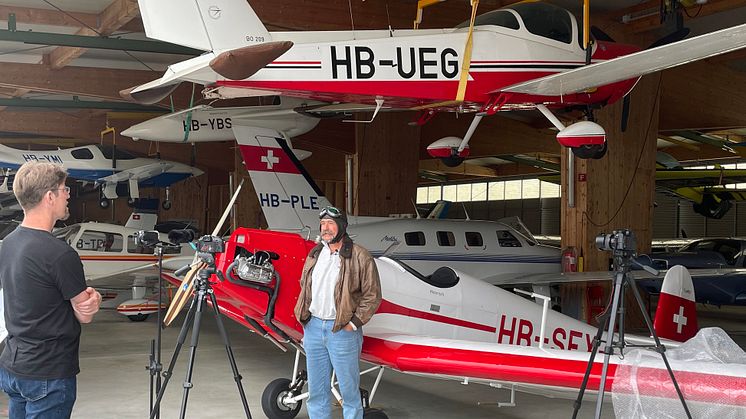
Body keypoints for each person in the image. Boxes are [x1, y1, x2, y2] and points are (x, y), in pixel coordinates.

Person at [0, 162, 102, 418]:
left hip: (14, 367)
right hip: (49, 373)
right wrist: (95, 298)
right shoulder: (60, 255)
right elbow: (85, 315)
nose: (68, 194)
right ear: (49, 197)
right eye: (64, 189)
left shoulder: (8, 244)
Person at [294, 206, 382, 419]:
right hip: (314, 328)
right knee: (316, 392)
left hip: (342, 330)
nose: (326, 228)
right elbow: (305, 285)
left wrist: (352, 324)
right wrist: (305, 318)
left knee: (349, 393)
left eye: (331, 223)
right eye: (323, 224)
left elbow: (372, 295)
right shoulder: (316, 253)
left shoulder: (361, 256)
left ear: (342, 226)